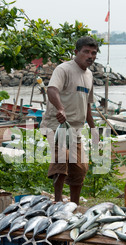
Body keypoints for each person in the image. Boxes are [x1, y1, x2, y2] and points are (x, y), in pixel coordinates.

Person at [41, 36, 98, 204]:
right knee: (62, 162)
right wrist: (60, 108)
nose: (90, 56)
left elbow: (87, 105)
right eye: (86, 52)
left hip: (76, 129)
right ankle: (57, 203)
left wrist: (94, 129)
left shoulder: (89, 76)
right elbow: (52, 90)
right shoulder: (63, 69)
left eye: (93, 53)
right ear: (76, 52)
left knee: (79, 168)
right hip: (57, 125)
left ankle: (74, 205)